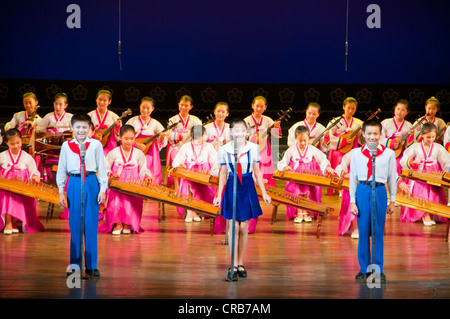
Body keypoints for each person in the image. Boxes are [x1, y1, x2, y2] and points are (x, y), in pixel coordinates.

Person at [213, 119, 271, 281]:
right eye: (236, 130)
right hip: (232, 186)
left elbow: (257, 173)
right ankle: (233, 264)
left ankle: (240, 262)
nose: (239, 133)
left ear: (247, 132)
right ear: (231, 132)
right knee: (233, 227)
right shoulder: (224, 150)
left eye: (242, 130)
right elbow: (223, 174)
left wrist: (264, 193)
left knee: (243, 226)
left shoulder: (253, 148)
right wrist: (218, 195)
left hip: (247, 187)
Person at [56, 113, 108, 278]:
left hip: (91, 182)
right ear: (72, 128)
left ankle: (91, 266)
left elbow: (102, 168)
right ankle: (75, 266)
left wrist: (102, 189)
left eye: (85, 127)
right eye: (78, 127)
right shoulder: (66, 145)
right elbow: (62, 169)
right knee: (76, 226)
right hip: (74, 182)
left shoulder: (95, 145)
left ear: (90, 128)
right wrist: (61, 191)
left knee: (91, 225)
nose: (81, 130)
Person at [349, 119, 399, 283]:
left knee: (378, 232)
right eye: (369, 133)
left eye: (375, 133)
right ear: (363, 134)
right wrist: (352, 201)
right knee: (363, 232)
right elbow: (353, 178)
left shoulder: (388, 153)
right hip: (363, 191)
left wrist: (392, 200)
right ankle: (364, 268)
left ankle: (378, 269)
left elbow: (392, 178)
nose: (372, 137)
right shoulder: (356, 153)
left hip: (379, 191)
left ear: (381, 135)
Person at [100, 125, 152, 235]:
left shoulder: (139, 153)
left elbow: (143, 169)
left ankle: (127, 223)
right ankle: (118, 223)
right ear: (120, 138)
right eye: (126, 139)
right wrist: (111, 175)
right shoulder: (113, 152)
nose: (129, 141)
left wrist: (147, 177)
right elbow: (105, 168)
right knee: (116, 203)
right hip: (118, 182)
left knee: (130, 202)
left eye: (132, 139)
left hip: (133, 182)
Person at [277, 125, 334, 223]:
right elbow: (283, 162)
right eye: (300, 140)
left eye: (305, 140)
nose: (303, 143)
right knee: (297, 192)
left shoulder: (312, 149)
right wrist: (285, 167)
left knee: (307, 192)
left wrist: (327, 167)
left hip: (308, 175)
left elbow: (322, 159)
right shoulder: (291, 150)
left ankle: (307, 212)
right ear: (296, 138)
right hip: (295, 176)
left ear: (308, 138)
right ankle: (299, 212)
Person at [399, 122, 450, 225]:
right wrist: (411, 163)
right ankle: (425, 215)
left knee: (433, 194)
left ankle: (430, 214)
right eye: (428, 137)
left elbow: (446, 161)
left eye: (433, 137)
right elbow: (404, 159)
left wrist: (447, 173)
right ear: (422, 135)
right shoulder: (416, 147)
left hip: (434, 174)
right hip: (419, 174)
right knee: (421, 194)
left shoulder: (438, 147)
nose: (431, 139)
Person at [244, 96, 281, 233]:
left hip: (265, 150)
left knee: (264, 175)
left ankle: (262, 197)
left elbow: (276, 136)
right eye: (257, 106)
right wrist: (254, 137)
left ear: (265, 107)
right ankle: (251, 201)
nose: (259, 108)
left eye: (262, 106)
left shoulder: (268, 120)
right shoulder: (247, 121)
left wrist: (277, 128)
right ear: (252, 105)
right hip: (250, 150)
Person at [0, 128, 45, 234]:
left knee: (18, 197)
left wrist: (35, 176)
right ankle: (8, 222)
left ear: (21, 140)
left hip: (22, 185)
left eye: (18, 143)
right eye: (12, 144)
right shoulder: (2, 156)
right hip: (5, 186)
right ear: (6, 143)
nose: (15, 146)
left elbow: (33, 170)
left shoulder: (27, 157)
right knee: (7, 196)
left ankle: (15, 223)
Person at [172, 125, 218, 222]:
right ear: (192, 137)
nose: (200, 139)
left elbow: (215, 161)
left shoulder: (208, 146)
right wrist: (181, 165)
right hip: (189, 172)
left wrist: (212, 171)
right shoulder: (185, 147)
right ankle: (190, 211)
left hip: (204, 173)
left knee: (201, 188)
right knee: (188, 184)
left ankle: (196, 210)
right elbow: (175, 162)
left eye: (202, 136)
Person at [325, 97, 363, 196]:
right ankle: (339, 185)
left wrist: (363, 132)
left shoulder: (358, 122)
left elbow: (361, 140)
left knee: (355, 158)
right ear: (343, 107)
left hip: (352, 148)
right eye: (348, 108)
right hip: (338, 149)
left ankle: (351, 185)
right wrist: (342, 141)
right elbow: (329, 136)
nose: (350, 111)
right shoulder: (336, 121)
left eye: (353, 109)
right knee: (339, 158)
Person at [127, 97, 167, 185]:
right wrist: (136, 144)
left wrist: (162, 138)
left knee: (146, 161)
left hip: (150, 153)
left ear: (152, 109)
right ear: (140, 107)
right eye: (143, 107)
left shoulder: (155, 123)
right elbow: (125, 136)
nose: (145, 110)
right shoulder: (132, 121)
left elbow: (163, 141)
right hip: (133, 151)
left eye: (148, 108)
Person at [165, 95, 202, 189]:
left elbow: (200, 135)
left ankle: (190, 187)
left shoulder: (195, 120)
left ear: (191, 107)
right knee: (177, 163)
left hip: (191, 149)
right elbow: (168, 134)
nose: (183, 107)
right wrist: (180, 136)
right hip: (176, 147)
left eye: (186, 105)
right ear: (178, 105)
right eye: (182, 105)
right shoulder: (173, 120)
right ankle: (177, 189)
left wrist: (193, 136)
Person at [35, 93, 73, 183]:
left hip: (65, 147)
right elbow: (38, 130)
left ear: (66, 105)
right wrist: (45, 134)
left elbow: (74, 133)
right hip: (50, 147)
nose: (58, 107)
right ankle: (47, 179)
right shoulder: (49, 116)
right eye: (56, 104)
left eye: (60, 104)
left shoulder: (70, 117)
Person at [380, 99, 413, 176]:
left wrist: (411, 137)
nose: (399, 112)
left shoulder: (409, 126)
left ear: (406, 112)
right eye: (398, 109)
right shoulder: (385, 123)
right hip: (386, 152)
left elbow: (411, 146)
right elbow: (380, 139)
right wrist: (391, 143)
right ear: (394, 109)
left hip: (401, 154)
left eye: (403, 110)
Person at [88, 90, 121, 157]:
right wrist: (94, 136)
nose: (102, 102)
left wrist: (117, 127)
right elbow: (84, 133)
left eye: (105, 100)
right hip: (91, 145)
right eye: (99, 99)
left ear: (109, 102)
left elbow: (118, 138)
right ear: (96, 100)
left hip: (109, 147)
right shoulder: (89, 116)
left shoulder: (114, 117)